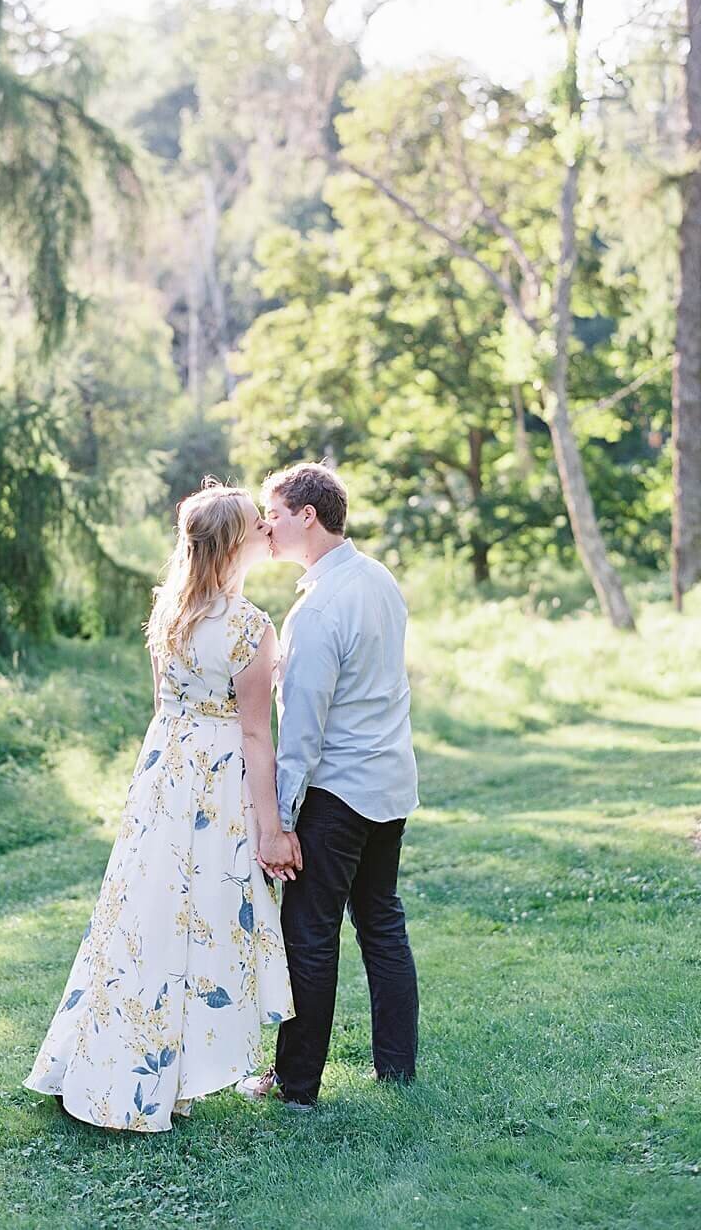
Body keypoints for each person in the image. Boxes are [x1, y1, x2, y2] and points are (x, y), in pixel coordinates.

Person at [23, 481, 298, 1132]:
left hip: (164, 776)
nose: (267, 531)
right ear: (234, 542)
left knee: (142, 913)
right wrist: (271, 825)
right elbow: (257, 733)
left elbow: (163, 709)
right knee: (194, 918)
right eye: (256, 525)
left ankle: (131, 1061)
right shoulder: (250, 628)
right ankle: (158, 1071)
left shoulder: (171, 610)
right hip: (216, 777)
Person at [238, 462, 419, 1110]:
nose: (266, 526)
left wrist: (279, 822)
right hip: (391, 782)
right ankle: (397, 1072)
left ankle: (296, 1086)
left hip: (338, 791)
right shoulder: (379, 580)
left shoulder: (316, 610)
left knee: (310, 936)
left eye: (274, 514)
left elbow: (302, 732)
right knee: (381, 923)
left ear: (306, 516)